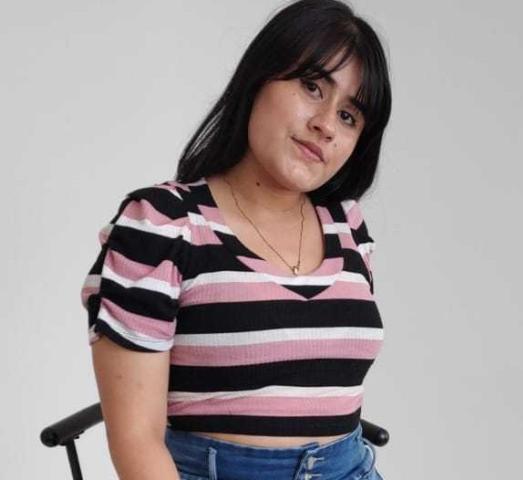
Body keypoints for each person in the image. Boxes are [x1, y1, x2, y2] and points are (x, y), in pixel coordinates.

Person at [80, 0, 392, 478]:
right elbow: (137, 441)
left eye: (350, 116)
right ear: (259, 78)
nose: (326, 125)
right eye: (312, 87)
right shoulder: (163, 225)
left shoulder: (346, 224)